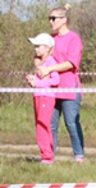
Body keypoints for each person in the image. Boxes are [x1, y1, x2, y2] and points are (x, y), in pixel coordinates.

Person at [38, 3, 84, 162]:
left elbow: (71, 63)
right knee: (51, 125)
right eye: (49, 18)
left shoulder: (74, 38)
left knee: (71, 123)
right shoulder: (50, 40)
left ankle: (79, 156)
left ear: (63, 20)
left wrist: (50, 69)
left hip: (69, 87)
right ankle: (49, 156)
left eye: (53, 18)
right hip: (51, 88)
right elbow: (41, 58)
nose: (51, 21)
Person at [27, 33, 60, 164]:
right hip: (38, 96)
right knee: (41, 125)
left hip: (46, 97)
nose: (35, 49)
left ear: (47, 47)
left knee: (42, 125)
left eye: (38, 46)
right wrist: (32, 79)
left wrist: (38, 83)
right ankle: (47, 154)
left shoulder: (51, 62)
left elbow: (55, 80)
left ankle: (46, 156)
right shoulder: (40, 62)